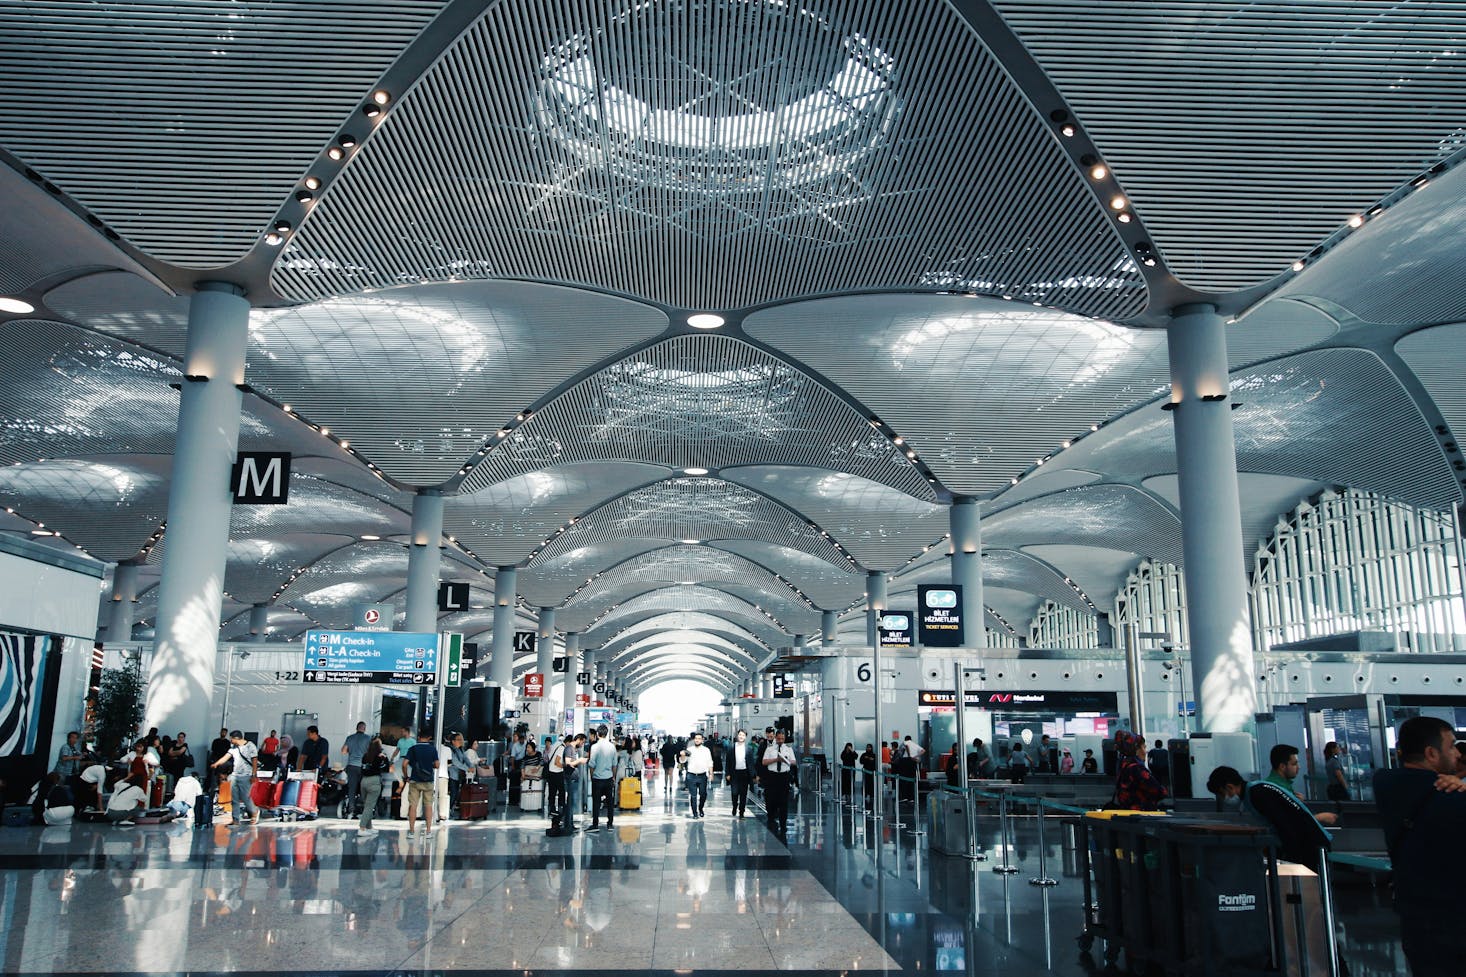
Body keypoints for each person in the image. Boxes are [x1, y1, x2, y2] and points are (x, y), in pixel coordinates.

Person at [1373, 716, 1466, 977]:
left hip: (1414, 918)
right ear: (1431, 753)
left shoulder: (1385, 783)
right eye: (1452, 746)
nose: (1458, 754)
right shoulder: (1452, 800)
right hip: (1455, 922)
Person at [212, 730, 258, 826]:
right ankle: (235, 819)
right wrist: (216, 764)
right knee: (234, 798)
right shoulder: (233, 748)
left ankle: (254, 811)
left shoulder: (250, 746)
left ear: (236, 738)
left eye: (231, 738)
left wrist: (254, 774)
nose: (230, 740)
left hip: (246, 775)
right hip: (235, 775)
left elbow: (254, 760)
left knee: (245, 796)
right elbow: (226, 757)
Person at [1112, 737, 1167, 810]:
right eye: (1144, 747)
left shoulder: (1123, 765)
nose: (1145, 752)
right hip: (1140, 814)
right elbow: (1159, 791)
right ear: (1137, 750)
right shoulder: (1137, 769)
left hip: (1126, 812)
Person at [403, 730, 439, 833]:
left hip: (415, 780)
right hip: (428, 781)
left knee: (413, 805)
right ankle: (428, 831)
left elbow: (404, 764)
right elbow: (437, 765)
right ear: (429, 738)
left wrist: (406, 777)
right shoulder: (432, 750)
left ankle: (411, 830)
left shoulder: (413, 749)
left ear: (419, 737)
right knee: (428, 805)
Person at [761, 730, 796, 835]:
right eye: (779, 738)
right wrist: (776, 760)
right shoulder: (770, 749)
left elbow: (794, 762)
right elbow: (764, 762)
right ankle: (771, 817)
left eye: (782, 739)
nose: (780, 741)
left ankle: (783, 823)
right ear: (775, 738)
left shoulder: (788, 749)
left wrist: (786, 760)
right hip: (772, 776)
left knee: (783, 801)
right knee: (771, 799)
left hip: (784, 777)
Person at [358, 737, 390, 834]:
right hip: (374, 781)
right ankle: (362, 828)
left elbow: (363, 768)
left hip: (363, 781)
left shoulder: (365, 756)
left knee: (366, 805)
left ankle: (369, 827)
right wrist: (385, 759)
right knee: (369, 806)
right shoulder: (380, 757)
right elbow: (386, 769)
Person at [588, 725, 617, 830]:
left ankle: (595, 824)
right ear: (607, 733)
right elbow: (614, 764)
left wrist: (592, 777)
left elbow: (592, 764)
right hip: (608, 778)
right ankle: (610, 824)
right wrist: (613, 777)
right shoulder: (612, 747)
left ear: (597, 734)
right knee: (610, 802)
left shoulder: (594, 747)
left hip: (597, 779)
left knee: (596, 802)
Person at [340, 721, 371, 818]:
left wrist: (351, 751)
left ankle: (351, 810)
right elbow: (371, 752)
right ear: (364, 728)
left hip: (351, 766)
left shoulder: (350, 738)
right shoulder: (368, 738)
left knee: (352, 788)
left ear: (356, 728)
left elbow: (343, 751)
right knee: (363, 787)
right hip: (363, 767)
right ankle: (363, 808)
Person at [684, 732, 713, 818]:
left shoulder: (706, 750)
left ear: (702, 740)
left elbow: (710, 762)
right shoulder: (690, 749)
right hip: (691, 775)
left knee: (703, 794)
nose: (697, 740)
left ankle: (700, 808)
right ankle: (695, 813)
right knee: (693, 795)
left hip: (702, 776)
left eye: (699, 738)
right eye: (696, 738)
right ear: (694, 739)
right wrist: (682, 755)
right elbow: (683, 760)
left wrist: (711, 774)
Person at [729, 730, 756, 816]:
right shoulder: (731, 748)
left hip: (745, 773)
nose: (741, 736)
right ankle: (734, 806)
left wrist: (753, 775)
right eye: (740, 735)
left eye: (743, 735)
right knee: (734, 792)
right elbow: (728, 761)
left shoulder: (748, 749)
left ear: (745, 737)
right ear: (737, 736)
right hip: (734, 773)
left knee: (743, 793)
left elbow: (751, 763)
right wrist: (727, 774)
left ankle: (741, 811)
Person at [446, 732, 472, 817]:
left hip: (459, 775)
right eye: (458, 740)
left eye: (461, 739)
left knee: (457, 793)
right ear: (453, 741)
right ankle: (448, 809)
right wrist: (467, 768)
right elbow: (455, 762)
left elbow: (466, 759)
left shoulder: (460, 749)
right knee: (453, 793)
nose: (460, 741)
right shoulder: (450, 750)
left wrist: (471, 766)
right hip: (452, 774)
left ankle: (451, 809)